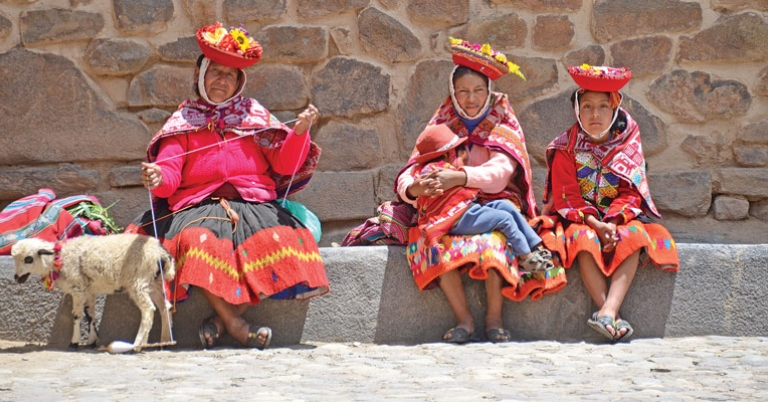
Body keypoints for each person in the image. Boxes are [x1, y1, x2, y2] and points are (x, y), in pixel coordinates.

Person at [126, 22, 329, 350]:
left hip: (254, 205)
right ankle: (237, 324)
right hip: (198, 208)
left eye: (230, 75)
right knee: (197, 242)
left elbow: (284, 165)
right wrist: (159, 178)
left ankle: (223, 321)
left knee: (289, 240)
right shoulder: (184, 122)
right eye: (215, 72)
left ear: (239, 82)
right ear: (200, 74)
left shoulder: (254, 116)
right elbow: (169, 173)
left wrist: (300, 133)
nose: (222, 79)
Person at [394, 37, 565, 344]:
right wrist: (414, 189)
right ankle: (464, 321)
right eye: (463, 91)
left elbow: (500, 175)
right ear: (453, 93)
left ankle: (494, 319)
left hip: (491, 201)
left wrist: (459, 178)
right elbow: (411, 170)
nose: (471, 98)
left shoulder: (502, 121)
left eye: (478, 91)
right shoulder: (441, 126)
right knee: (432, 242)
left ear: (488, 92)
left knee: (493, 241)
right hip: (445, 212)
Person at [542, 64, 679, 342]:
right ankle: (608, 314)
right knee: (582, 239)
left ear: (614, 109)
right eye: (588, 106)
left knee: (634, 235)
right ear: (577, 111)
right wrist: (595, 224)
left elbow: (631, 191)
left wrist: (614, 224)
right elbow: (567, 194)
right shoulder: (565, 147)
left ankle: (608, 311)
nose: (595, 114)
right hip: (581, 218)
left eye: (603, 106)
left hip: (619, 218)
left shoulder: (627, 142)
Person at [409, 123, 554, 273]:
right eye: (460, 150)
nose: (465, 156)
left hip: (468, 209)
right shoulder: (432, 173)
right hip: (454, 218)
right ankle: (525, 257)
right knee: (504, 218)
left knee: (505, 206)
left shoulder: (450, 170)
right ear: (448, 154)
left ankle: (535, 245)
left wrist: (459, 177)